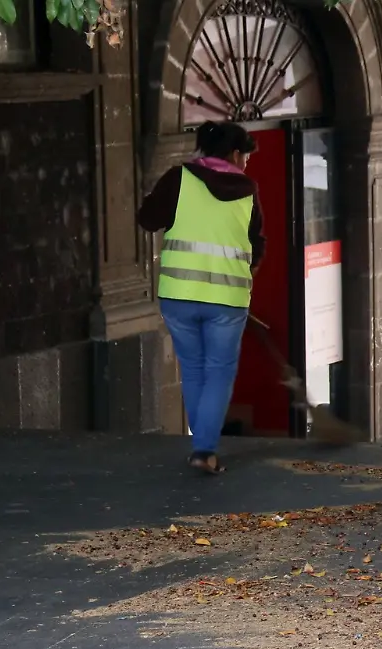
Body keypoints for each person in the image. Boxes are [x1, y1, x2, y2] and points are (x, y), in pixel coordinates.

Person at [137, 121, 264, 475]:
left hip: (179, 294)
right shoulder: (248, 190)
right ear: (235, 154)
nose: (246, 163)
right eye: (246, 156)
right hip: (227, 298)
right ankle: (204, 449)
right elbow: (257, 243)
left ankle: (201, 447)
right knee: (219, 371)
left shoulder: (179, 179)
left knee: (193, 368)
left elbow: (147, 219)